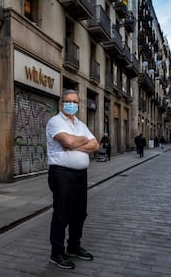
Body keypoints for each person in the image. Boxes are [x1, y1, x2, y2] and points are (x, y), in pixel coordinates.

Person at [46, 89, 100, 269]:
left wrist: (79, 141)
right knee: (62, 213)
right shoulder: (55, 121)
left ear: (78, 104)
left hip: (80, 176)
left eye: (75, 102)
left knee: (79, 213)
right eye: (68, 101)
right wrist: (83, 141)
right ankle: (57, 253)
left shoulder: (80, 124)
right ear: (61, 104)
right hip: (61, 174)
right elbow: (66, 142)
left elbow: (95, 145)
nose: (72, 104)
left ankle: (73, 247)